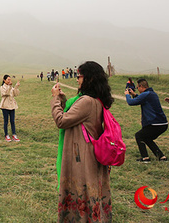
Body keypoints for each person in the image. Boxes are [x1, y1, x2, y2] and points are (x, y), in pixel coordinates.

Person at [50, 61, 112, 222]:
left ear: (89, 78)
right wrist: (63, 99)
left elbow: (61, 121)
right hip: (89, 154)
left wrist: (55, 99)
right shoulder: (96, 100)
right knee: (90, 190)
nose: (77, 79)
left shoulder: (86, 101)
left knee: (80, 190)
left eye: (80, 76)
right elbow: (74, 115)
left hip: (82, 157)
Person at [125, 79, 168, 162]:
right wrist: (134, 94)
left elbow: (131, 102)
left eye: (137, 87)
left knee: (139, 136)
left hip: (155, 124)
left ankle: (145, 158)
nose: (137, 89)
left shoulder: (146, 94)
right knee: (146, 138)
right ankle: (161, 156)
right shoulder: (151, 93)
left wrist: (127, 95)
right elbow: (142, 99)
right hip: (163, 123)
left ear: (141, 86)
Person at [0, 74, 20, 142]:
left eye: (10, 79)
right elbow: (6, 93)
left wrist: (16, 87)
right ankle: (6, 135)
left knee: (12, 121)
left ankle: (14, 135)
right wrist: (10, 86)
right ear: (4, 80)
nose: (9, 81)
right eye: (8, 79)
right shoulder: (2, 87)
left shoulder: (11, 87)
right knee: (6, 121)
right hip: (5, 106)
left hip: (12, 106)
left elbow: (16, 94)